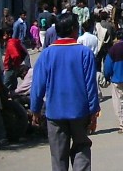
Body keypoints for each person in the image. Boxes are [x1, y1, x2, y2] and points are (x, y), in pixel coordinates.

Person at [30, 13, 100, 171]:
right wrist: (94, 111)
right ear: (74, 30)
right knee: (81, 147)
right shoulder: (84, 53)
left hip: (55, 112)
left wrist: (35, 110)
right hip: (80, 112)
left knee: (58, 156)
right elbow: (91, 85)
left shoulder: (46, 54)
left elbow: (37, 85)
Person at [3, 26, 28, 92]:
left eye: (4, 34)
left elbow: (16, 56)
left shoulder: (10, 44)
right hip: (13, 67)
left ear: (9, 35)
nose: (3, 36)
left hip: (10, 68)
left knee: (5, 84)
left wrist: (14, 64)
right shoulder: (14, 42)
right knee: (13, 84)